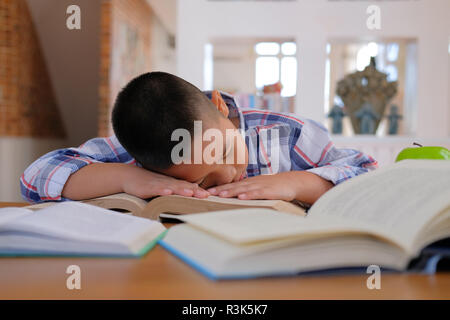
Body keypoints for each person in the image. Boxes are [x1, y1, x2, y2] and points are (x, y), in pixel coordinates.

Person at [20, 72, 378, 206]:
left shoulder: (288, 134)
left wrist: (298, 183)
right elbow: (36, 176)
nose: (226, 175)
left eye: (223, 149)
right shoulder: (138, 151)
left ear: (219, 106)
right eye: (201, 180)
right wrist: (127, 178)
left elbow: (367, 173)